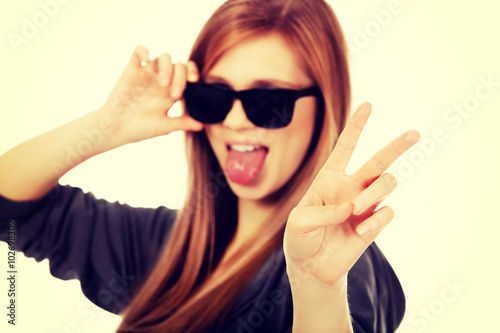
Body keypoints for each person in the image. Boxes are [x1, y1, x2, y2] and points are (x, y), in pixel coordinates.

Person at [0, 0, 419, 332]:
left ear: (323, 108)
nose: (234, 121)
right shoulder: (165, 245)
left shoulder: (341, 264)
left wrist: (317, 288)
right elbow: (10, 209)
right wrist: (104, 126)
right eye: (214, 98)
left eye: (266, 102)